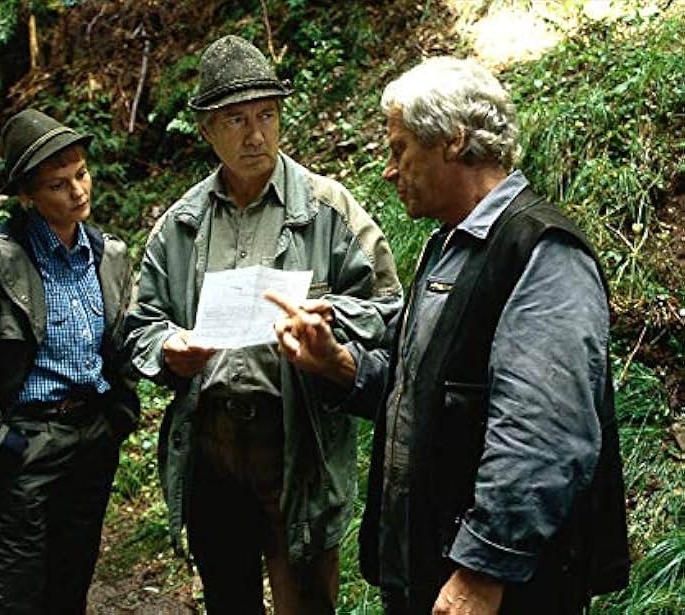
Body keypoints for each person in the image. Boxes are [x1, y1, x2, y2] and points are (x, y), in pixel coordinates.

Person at [266, 56, 629, 614]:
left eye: (399, 149)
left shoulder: (541, 252)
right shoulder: (447, 247)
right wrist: (337, 364)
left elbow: (544, 434)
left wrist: (482, 571)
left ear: (453, 141)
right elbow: (429, 392)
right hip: (426, 571)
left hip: (505, 592)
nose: (389, 170)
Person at [122, 35, 402, 613]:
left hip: (295, 440)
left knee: (306, 597)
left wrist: (327, 321)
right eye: (236, 120)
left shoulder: (329, 210)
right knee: (228, 596)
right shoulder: (180, 226)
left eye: (266, 116)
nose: (255, 135)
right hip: (212, 442)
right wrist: (168, 349)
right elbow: (139, 324)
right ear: (206, 129)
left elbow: (389, 310)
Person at [0, 108, 139, 614]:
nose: (78, 191)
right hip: (23, 448)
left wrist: (119, 414)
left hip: (89, 445)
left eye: (81, 174)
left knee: (68, 587)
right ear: (28, 197)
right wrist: (0, 445)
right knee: (5, 595)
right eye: (58, 184)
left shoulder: (109, 256)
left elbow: (124, 344)